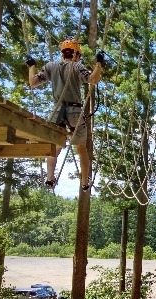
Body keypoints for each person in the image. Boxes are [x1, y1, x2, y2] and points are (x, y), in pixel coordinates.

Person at [26, 39, 103, 191]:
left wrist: (31, 66)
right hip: (75, 112)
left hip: (57, 113)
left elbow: (33, 83)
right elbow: (93, 80)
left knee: (55, 147)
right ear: (77, 55)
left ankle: (49, 178)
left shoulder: (51, 67)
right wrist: (99, 64)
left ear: (63, 54)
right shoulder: (77, 66)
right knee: (81, 149)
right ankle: (85, 181)